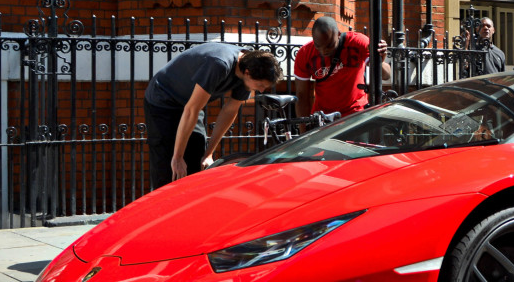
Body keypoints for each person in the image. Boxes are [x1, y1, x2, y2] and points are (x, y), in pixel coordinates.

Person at [144, 44, 281, 189]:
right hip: (163, 101)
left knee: (196, 158)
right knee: (168, 165)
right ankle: (164, 203)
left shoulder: (246, 76)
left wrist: (208, 154)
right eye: (260, 84)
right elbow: (192, 110)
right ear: (247, 72)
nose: (261, 90)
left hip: (190, 104)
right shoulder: (219, 64)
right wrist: (177, 157)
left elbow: (229, 111)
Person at [294, 16, 391, 119]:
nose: (324, 51)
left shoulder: (357, 42)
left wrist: (379, 61)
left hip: (355, 114)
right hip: (324, 117)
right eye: (318, 46)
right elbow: (302, 96)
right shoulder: (305, 53)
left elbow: (386, 75)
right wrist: (304, 132)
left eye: (329, 46)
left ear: (339, 35)